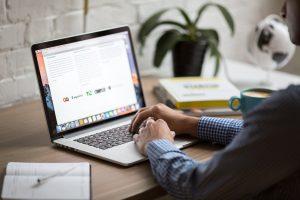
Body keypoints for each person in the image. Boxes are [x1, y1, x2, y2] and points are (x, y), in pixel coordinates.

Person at [130, 0, 300, 199]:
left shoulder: (291, 107)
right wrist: (189, 123)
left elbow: (196, 186)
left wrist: (156, 143)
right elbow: (271, 136)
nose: (282, 11)